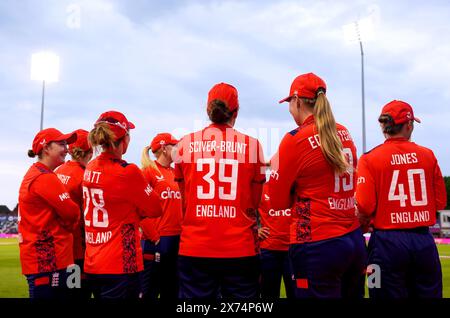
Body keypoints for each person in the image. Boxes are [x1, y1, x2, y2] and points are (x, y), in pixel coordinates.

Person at [269, 72, 367, 298]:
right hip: (353, 239)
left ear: (297, 101)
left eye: (290, 104)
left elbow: (276, 201)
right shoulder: (343, 131)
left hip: (316, 243)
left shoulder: (295, 139)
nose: (289, 109)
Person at [174, 82, 266, 298]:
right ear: (236, 112)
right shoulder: (252, 146)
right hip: (240, 247)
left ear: (208, 110)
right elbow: (255, 202)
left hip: (195, 246)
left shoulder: (184, 144)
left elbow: (184, 199)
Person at [356, 100, 447, 298]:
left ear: (383, 126)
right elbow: (440, 202)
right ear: (408, 125)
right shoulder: (428, 155)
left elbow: (364, 205)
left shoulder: (369, 159)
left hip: (384, 245)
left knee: (378, 292)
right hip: (424, 243)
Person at [83, 110, 163, 299]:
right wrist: (134, 210)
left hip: (93, 261)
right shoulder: (127, 172)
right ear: (124, 138)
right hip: (120, 263)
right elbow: (155, 208)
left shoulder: (90, 167)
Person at [18, 128, 80, 299]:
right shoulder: (44, 177)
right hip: (49, 263)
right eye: (61, 144)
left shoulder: (36, 174)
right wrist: (68, 226)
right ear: (46, 148)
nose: (67, 148)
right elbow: (73, 213)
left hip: (46, 262)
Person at [140, 133, 183, 299]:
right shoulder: (149, 172)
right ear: (164, 148)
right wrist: (154, 236)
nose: (178, 149)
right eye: (174, 146)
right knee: (150, 290)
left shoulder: (175, 172)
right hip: (157, 241)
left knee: (173, 290)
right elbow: (139, 207)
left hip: (176, 239)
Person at [55, 129, 93, 299]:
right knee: (79, 293)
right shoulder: (84, 176)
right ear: (90, 151)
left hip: (61, 248)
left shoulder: (58, 171)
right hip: (79, 250)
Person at [258, 182, 294, 298]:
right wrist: (255, 230)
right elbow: (246, 209)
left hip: (293, 250)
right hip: (268, 250)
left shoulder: (297, 188)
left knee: (296, 293)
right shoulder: (262, 189)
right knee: (268, 293)